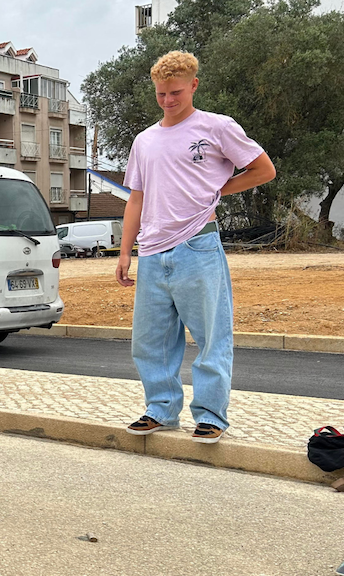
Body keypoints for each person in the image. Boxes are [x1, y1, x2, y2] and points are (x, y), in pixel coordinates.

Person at [116, 51, 276, 443]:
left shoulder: (217, 127)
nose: (168, 100)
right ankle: (160, 409)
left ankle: (211, 416)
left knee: (210, 335)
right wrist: (125, 251)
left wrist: (218, 189)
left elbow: (263, 169)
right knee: (150, 340)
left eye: (175, 92)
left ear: (193, 86)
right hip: (152, 251)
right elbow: (136, 197)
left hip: (197, 244)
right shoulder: (145, 140)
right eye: (161, 94)